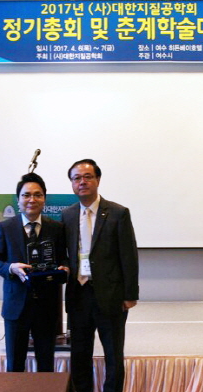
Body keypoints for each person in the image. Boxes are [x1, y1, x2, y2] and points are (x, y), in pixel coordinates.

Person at [61, 159, 139, 392]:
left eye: (87, 177)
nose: (82, 182)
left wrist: (130, 295)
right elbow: (65, 253)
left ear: (98, 180)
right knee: (79, 354)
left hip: (111, 296)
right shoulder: (67, 215)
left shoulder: (118, 213)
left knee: (113, 354)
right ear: (72, 184)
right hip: (78, 295)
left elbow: (129, 256)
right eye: (76, 178)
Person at [0, 172, 69, 372]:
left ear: (44, 199)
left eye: (37, 195)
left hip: (47, 306)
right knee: (15, 365)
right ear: (18, 200)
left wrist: (65, 268)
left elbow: (63, 259)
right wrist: (11, 268)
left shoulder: (57, 228)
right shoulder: (5, 227)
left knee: (46, 365)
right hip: (16, 306)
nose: (31, 199)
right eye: (26, 195)